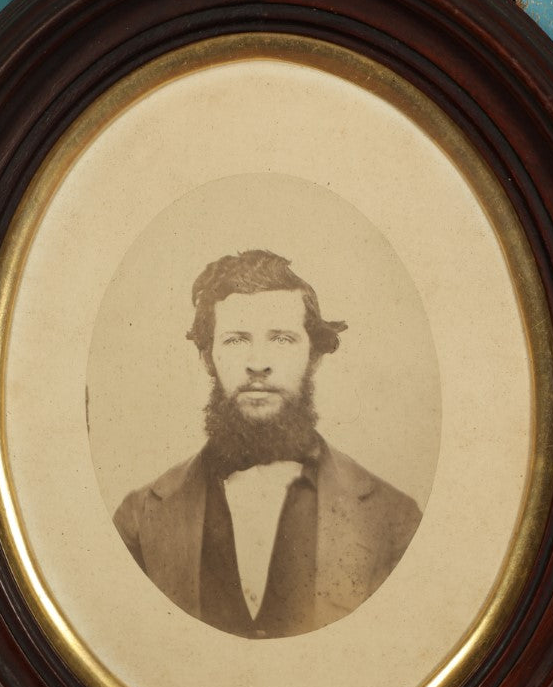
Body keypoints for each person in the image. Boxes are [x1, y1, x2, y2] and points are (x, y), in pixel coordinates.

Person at [113, 249, 422, 639]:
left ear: (314, 357)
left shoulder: (396, 520)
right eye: (236, 340)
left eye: (281, 339)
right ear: (207, 358)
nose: (258, 362)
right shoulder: (138, 520)